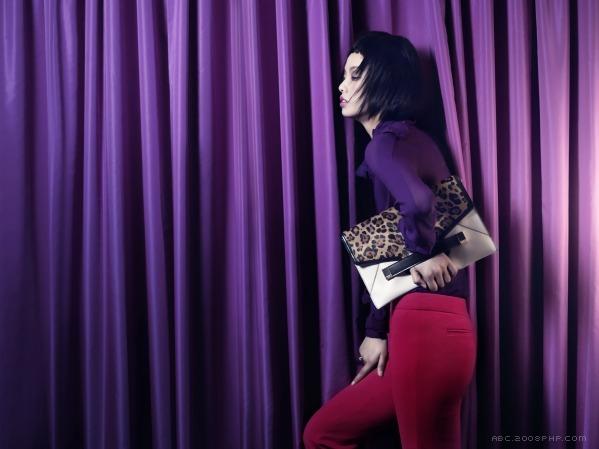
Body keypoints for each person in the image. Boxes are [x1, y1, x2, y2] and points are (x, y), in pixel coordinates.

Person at [303, 31, 477, 449]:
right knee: (323, 433)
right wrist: (378, 327)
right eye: (344, 75)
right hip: (452, 326)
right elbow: (469, 238)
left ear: (384, 77)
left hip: (420, 327)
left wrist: (420, 254)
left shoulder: (382, 147)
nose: (341, 86)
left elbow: (417, 203)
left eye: (354, 75)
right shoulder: (420, 142)